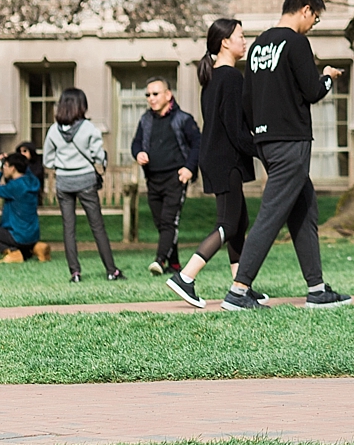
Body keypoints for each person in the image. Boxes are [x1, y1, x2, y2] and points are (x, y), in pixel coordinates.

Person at [222, 0, 351, 310]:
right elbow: (311, 91)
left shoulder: (259, 44)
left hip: (265, 140)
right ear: (305, 9)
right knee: (271, 214)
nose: (313, 25)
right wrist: (327, 77)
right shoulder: (296, 42)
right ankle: (238, 291)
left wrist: (259, 133)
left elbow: (248, 100)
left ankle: (317, 289)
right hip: (291, 141)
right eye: (315, 19)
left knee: (304, 209)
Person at [167, 19, 266, 309]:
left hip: (218, 158)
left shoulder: (214, 78)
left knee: (239, 222)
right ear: (225, 42)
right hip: (226, 159)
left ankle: (241, 286)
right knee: (227, 223)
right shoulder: (232, 78)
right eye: (241, 36)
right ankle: (186, 276)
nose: (245, 41)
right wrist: (263, 151)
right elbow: (236, 130)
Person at [42, 87, 125, 283]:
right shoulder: (88, 128)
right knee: (97, 227)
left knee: (68, 228)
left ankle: (75, 273)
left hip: (63, 182)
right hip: (86, 181)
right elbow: (97, 155)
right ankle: (111, 271)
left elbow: (47, 160)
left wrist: (62, 166)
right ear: (82, 106)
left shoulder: (53, 130)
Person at [131, 77, 200, 276]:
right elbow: (136, 143)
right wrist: (138, 153)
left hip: (176, 178)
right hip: (153, 179)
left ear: (168, 95)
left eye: (155, 94)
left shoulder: (183, 119)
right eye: (148, 95)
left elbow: (198, 144)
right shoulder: (146, 119)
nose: (151, 98)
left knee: (169, 221)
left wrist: (189, 168)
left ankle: (160, 261)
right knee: (162, 223)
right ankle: (175, 264)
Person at [0, 152, 49, 263]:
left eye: (6, 166)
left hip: (17, 234)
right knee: (21, 239)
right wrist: (8, 160)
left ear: (13, 168)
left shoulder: (14, 187)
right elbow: (25, 169)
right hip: (32, 235)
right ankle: (35, 248)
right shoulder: (33, 181)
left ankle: (13, 252)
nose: (4, 168)